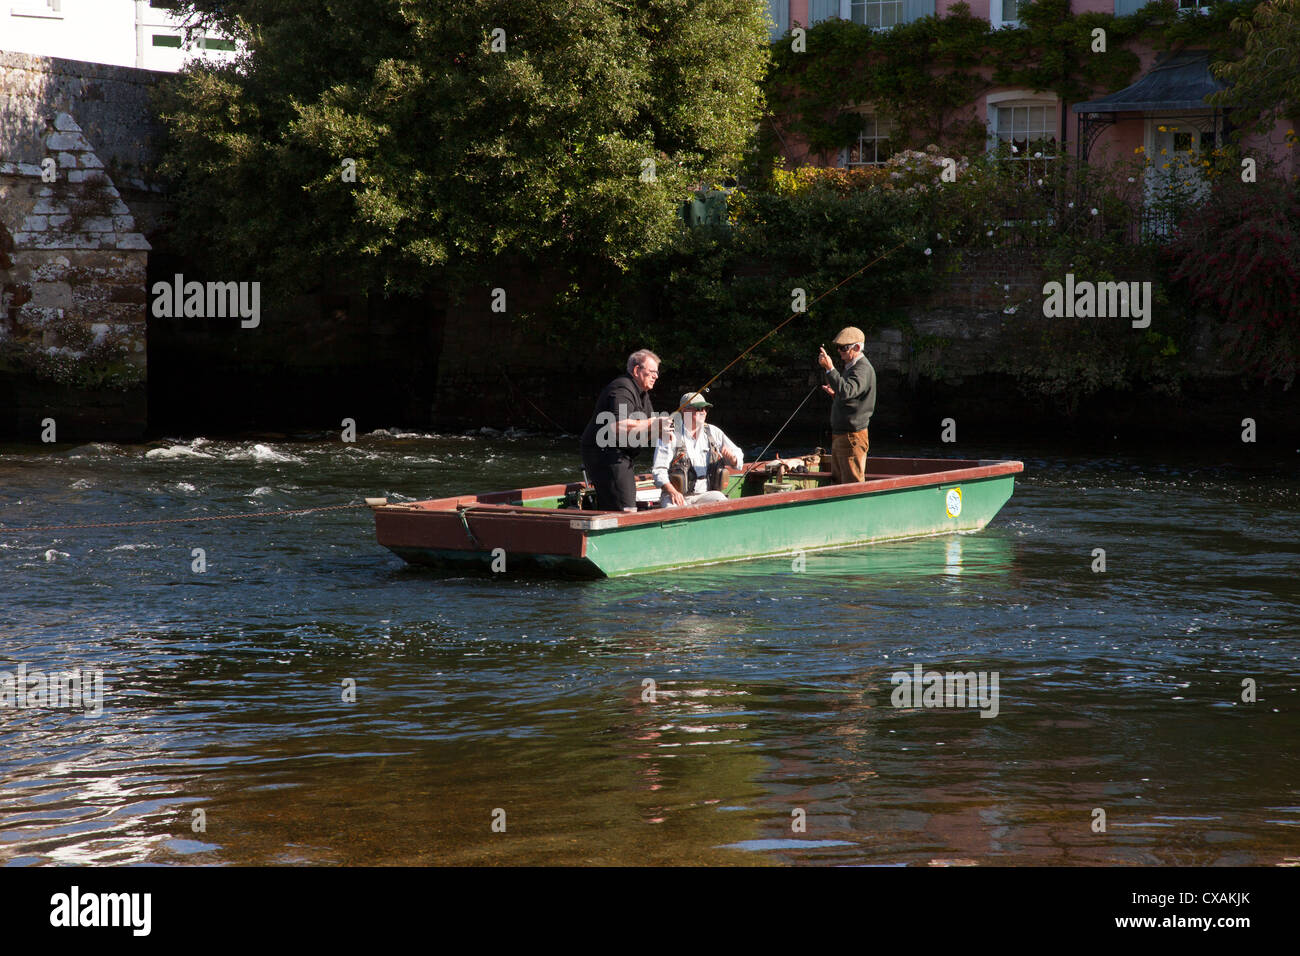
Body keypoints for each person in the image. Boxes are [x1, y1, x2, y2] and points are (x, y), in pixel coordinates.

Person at [580, 349, 675, 511]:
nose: (656, 376)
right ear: (637, 370)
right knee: (626, 508)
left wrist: (661, 431)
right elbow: (619, 425)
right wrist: (655, 422)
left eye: (657, 372)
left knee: (625, 501)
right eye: (652, 372)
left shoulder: (643, 395)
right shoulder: (622, 389)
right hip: (605, 455)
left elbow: (645, 429)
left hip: (623, 457)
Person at [651, 392, 743, 508]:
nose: (703, 412)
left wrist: (733, 459)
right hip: (676, 494)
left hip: (707, 494)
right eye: (699, 408)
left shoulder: (714, 432)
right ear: (685, 411)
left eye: (706, 408)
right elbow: (658, 470)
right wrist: (672, 491)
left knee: (724, 504)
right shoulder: (669, 434)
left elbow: (738, 455)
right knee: (673, 512)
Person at [816, 326, 876, 484]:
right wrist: (835, 394)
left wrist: (830, 369)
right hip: (842, 437)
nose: (840, 351)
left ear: (857, 347)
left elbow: (847, 391)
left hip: (852, 438)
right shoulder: (852, 367)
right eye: (838, 348)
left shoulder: (862, 369)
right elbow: (850, 395)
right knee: (838, 483)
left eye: (844, 348)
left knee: (851, 486)